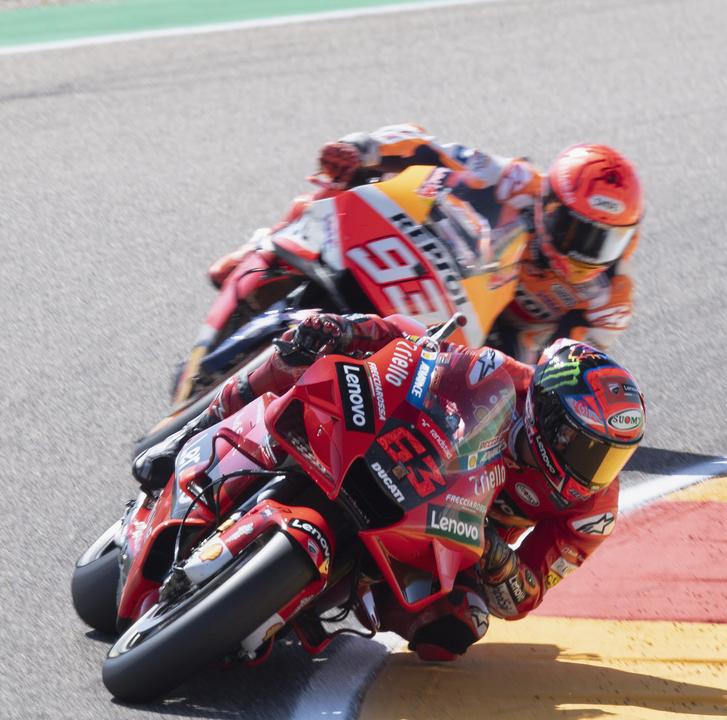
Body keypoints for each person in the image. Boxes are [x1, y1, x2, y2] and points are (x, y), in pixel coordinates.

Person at [133, 312, 646, 660]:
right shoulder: (511, 377)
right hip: (402, 455)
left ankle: (331, 608)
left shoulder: (591, 511)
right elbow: (418, 345)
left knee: (459, 629)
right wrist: (350, 330)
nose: (596, 468)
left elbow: (521, 598)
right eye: (587, 447)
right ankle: (188, 433)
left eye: (612, 456)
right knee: (302, 350)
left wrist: (495, 558)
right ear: (548, 415)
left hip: (455, 538)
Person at [208, 125, 643, 363]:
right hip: (456, 282)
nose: (586, 252)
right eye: (577, 230)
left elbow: (568, 362)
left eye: (604, 240)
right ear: (549, 204)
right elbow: (425, 146)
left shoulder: (608, 299)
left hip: (503, 340)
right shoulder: (515, 182)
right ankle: (262, 247)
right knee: (334, 194)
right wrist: (363, 149)